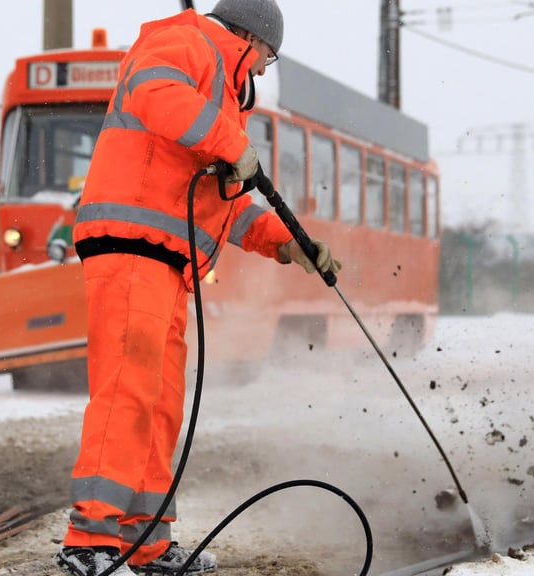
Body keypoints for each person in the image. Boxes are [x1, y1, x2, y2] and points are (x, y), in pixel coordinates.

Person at [55, 2, 342, 576]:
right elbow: (152, 91)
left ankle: (147, 542)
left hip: (166, 262)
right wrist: (230, 144)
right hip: (132, 244)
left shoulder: (219, 98)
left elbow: (221, 209)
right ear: (249, 37)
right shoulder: (188, 44)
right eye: (267, 56)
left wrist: (285, 242)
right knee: (128, 391)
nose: (263, 70)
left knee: (161, 404)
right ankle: (88, 540)